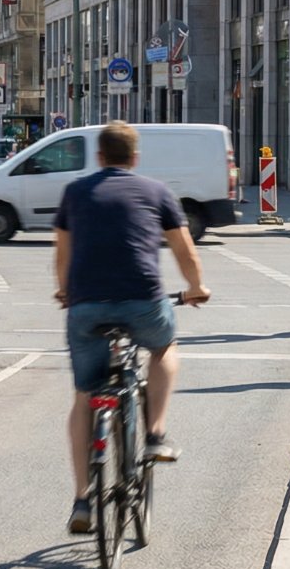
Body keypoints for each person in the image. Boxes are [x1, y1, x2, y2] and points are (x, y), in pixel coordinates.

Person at [54, 121, 211, 535]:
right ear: (135, 158)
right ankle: (156, 433)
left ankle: (83, 498)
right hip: (144, 301)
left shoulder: (75, 192)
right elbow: (184, 251)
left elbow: (62, 256)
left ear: (100, 157)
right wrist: (196, 288)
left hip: (86, 306)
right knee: (163, 348)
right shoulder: (157, 191)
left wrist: (64, 292)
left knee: (85, 395)